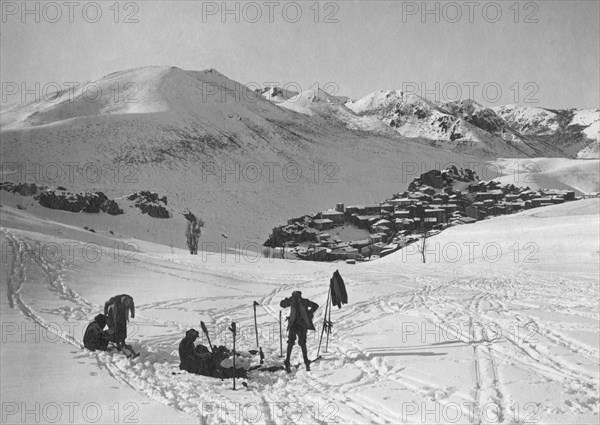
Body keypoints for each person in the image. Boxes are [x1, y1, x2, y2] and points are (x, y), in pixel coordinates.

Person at [280, 291, 319, 372]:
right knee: (302, 343)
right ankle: (306, 361)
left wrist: (286, 300)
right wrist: (309, 313)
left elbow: (282, 304)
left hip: (294, 325)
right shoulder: (304, 301)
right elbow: (315, 306)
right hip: (302, 325)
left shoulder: (292, 301)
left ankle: (287, 361)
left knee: (291, 343)